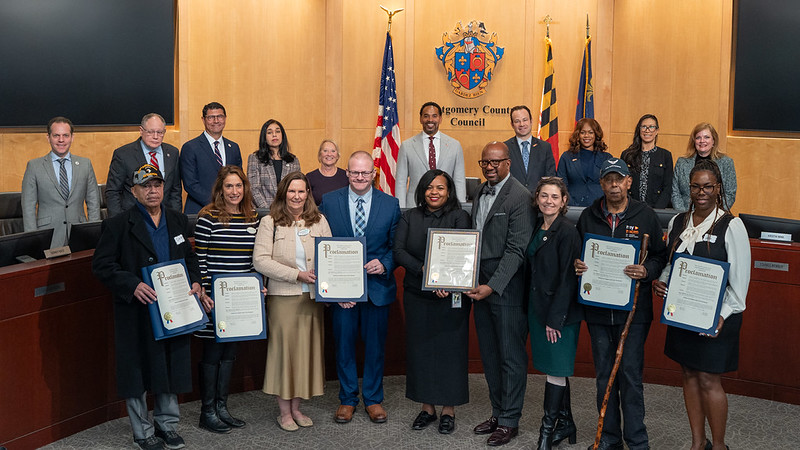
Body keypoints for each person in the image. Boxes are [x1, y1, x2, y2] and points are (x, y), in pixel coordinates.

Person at [92, 164, 202, 450]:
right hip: (137, 312)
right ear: (134, 191)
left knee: (169, 367)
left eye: (157, 185)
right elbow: (102, 266)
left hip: (173, 310)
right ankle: (142, 432)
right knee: (137, 370)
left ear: (163, 188)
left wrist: (196, 282)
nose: (152, 191)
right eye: (145, 186)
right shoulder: (117, 225)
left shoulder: (177, 220)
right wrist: (131, 285)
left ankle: (167, 426)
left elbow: (189, 258)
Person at [653, 160, 750, 450]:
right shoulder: (678, 222)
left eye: (707, 186)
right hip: (684, 314)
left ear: (718, 188)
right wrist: (662, 281)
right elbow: (674, 264)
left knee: (709, 379)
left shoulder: (732, 226)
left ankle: (719, 445)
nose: (701, 192)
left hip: (718, 318)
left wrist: (719, 316)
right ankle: (698, 443)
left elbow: (740, 285)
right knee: (688, 374)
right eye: (695, 186)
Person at [574, 158, 667, 450]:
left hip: (634, 313)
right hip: (599, 311)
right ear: (601, 184)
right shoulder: (589, 216)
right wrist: (578, 265)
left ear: (628, 181)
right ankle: (609, 440)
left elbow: (660, 256)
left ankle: (638, 442)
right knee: (604, 376)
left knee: (629, 377)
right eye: (608, 180)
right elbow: (580, 253)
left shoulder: (646, 215)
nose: (614, 185)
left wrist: (648, 271)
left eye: (619, 179)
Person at [319, 151, 401, 425]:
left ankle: (374, 398)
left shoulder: (390, 204)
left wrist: (385, 263)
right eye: (355, 172)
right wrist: (333, 287)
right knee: (343, 345)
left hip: (377, 287)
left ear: (374, 173)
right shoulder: (329, 202)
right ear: (347, 173)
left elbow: (396, 247)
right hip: (342, 290)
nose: (360, 177)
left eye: (365, 173)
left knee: (375, 347)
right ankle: (347, 399)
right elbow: (322, 245)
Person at [392, 169, 472, 435]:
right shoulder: (409, 217)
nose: (434, 192)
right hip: (418, 296)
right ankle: (427, 408)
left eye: (440, 188)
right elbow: (399, 251)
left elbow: (465, 253)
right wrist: (425, 271)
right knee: (421, 352)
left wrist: (446, 282)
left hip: (451, 298)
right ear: (421, 190)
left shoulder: (460, 217)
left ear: (449, 191)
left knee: (451, 352)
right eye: (429, 187)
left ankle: (448, 410)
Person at [467, 141, 533, 447]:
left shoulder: (520, 196)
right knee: (491, 355)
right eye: (485, 163)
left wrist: (493, 285)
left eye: (495, 162)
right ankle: (497, 412)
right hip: (477, 285)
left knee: (511, 357)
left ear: (508, 163)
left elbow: (516, 250)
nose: (490, 167)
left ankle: (510, 420)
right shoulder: (481, 190)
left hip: (505, 287)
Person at [253, 172, 331, 431]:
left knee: (305, 354)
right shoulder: (270, 221)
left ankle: (297, 408)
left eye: (301, 191)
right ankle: (284, 412)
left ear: (308, 194)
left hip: (311, 299)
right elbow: (261, 261)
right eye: (291, 191)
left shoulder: (319, 220)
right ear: (283, 193)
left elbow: (330, 257)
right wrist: (296, 274)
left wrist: (333, 290)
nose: (296, 196)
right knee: (284, 355)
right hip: (283, 298)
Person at [192, 166, 259, 434]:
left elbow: (255, 260)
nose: (234, 191)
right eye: (229, 186)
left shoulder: (252, 216)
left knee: (230, 353)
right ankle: (206, 411)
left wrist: (257, 288)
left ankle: (222, 407)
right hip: (213, 299)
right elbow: (201, 259)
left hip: (240, 301)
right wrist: (206, 293)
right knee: (212, 353)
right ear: (220, 189)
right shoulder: (207, 217)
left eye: (239, 186)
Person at [526, 177, 582, 450]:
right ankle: (566, 422)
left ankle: (546, 432)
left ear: (563, 202)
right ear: (537, 198)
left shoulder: (568, 231)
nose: (549, 201)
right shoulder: (538, 226)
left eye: (554, 197)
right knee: (554, 369)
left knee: (555, 370)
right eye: (544, 196)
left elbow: (567, 279)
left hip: (559, 316)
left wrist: (555, 319)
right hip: (539, 309)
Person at [21, 116, 100, 248]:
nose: (61, 140)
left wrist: (93, 232)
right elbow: (28, 206)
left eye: (65, 135)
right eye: (56, 135)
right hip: (48, 236)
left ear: (72, 137)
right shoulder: (34, 166)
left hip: (80, 235)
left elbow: (93, 202)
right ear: (48, 138)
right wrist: (32, 240)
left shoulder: (85, 164)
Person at [106, 113, 182, 217]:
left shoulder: (172, 153)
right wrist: (118, 224)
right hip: (132, 218)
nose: (155, 136)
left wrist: (175, 218)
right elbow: (113, 192)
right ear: (141, 130)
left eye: (160, 132)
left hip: (164, 218)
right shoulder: (123, 154)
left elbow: (175, 191)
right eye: (151, 132)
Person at [395, 101, 466, 208]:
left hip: (446, 207)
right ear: (420, 119)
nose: (430, 120)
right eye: (426, 116)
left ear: (440, 119)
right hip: (415, 206)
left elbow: (459, 180)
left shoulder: (454, 145)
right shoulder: (407, 146)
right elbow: (401, 181)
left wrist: (460, 208)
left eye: (434, 116)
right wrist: (401, 208)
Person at [180, 102, 243, 214]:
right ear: (203, 120)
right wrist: (218, 204)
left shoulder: (233, 147)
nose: (216, 121)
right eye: (211, 117)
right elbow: (190, 184)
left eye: (220, 116)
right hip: (201, 210)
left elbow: (239, 180)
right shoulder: (190, 147)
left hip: (231, 210)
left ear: (225, 119)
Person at [672, 123, 737, 211]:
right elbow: (675, 192)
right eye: (698, 137)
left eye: (706, 137)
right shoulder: (682, 162)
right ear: (694, 141)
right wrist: (684, 215)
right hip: (686, 214)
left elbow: (730, 194)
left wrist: (715, 215)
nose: (702, 141)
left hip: (715, 216)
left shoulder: (726, 162)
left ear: (713, 141)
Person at [620, 114, 674, 209]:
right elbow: (622, 184)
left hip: (656, 210)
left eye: (651, 127)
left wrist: (657, 211)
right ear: (639, 130)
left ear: (657, 131)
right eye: (644, 126)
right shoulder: (627, 155)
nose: (647, 130)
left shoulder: (665, 156)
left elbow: (668, 188)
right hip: (630, 208)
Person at [556, 118, 613, 206]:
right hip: (572, 208)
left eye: (590, 132)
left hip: (599, 208)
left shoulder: (606, 158)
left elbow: (611, 185)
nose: (587, 136)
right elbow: (561, 186)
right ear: (578, 135)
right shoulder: (567, 157)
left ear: (596, 135)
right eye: (583, 132)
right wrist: (570, 203)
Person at [247, 119, 301, 210]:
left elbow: (297, 189)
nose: (274, 135)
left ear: (282, 135)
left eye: (277, 131)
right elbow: (253, 189)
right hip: (264, 211)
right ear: (264, 137)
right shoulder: (255, 158)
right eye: (269, 132)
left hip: (288, 211)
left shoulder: (293, 161)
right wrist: (268, 211)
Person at [503, 105, 556, 193]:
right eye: (517, 121)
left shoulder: (545, 147)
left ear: (531, 121)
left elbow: (550, 178)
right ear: (512, 124)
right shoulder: (505, 148)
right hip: (513, 200)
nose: (522, 124)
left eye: (525, 120)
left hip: (538, 201)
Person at [305, 139, 348, 205]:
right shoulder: (310, 177)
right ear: (320, 154)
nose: (329, 154)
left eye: (333, 151)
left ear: (337, 155)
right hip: (317, 215)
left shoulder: (346, 176)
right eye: (325, 151)